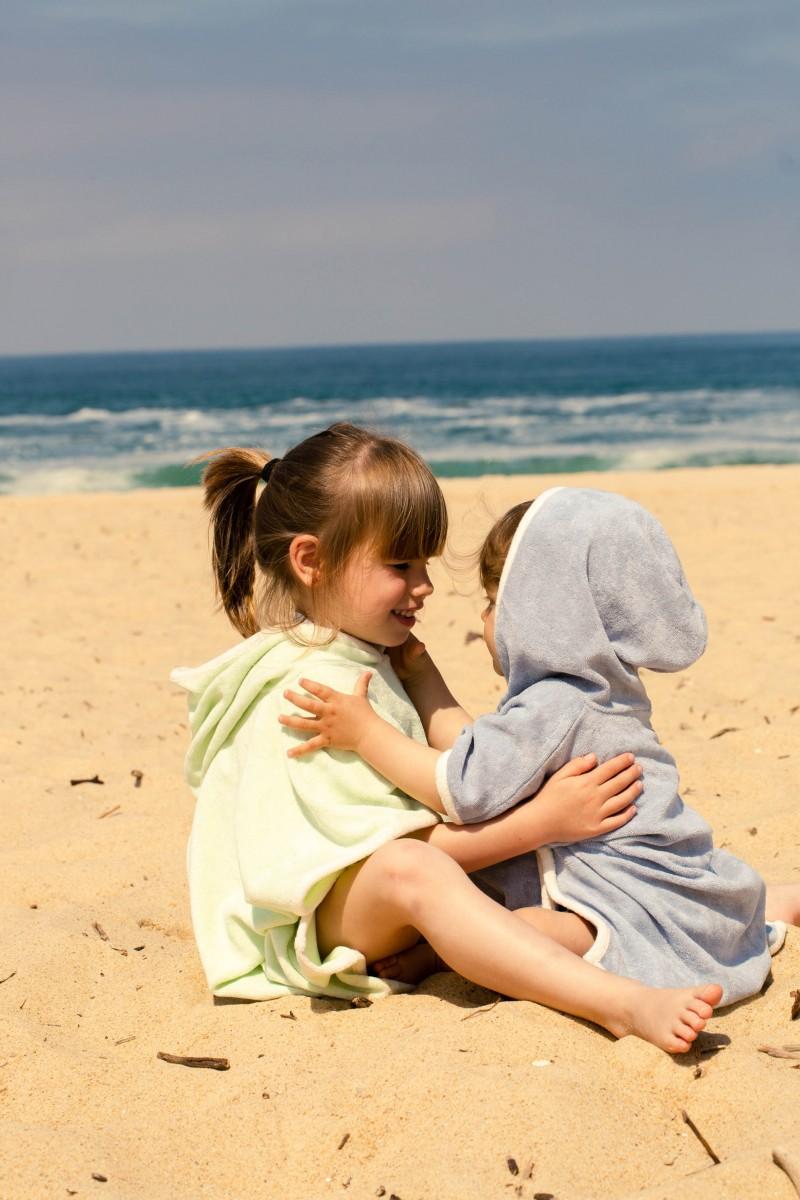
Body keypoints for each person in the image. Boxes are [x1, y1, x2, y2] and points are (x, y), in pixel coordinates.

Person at [173, 426, 723, 1054]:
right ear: (311, 561)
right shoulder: (311, 689)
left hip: (375, 893)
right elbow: (384, 846)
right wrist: (541, 823)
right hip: (320, 915)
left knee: (540, 865)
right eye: (399, 565)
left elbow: (460, 769)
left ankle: (706, 907)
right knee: (415, 869)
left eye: (426, 564)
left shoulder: (371, 656)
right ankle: (618, 1003)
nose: (425, 585)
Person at [282, 485, 798, 1010]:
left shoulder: (556, 705)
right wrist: (425, 678)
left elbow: (462, 786)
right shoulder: (599, 690)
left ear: (543, 614)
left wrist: (366, 733)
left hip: (621, 892)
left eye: (492, 603)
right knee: (717, 904)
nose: (484, 621)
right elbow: (482, 754)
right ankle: (777, 903)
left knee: (525, 928)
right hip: (667, 870)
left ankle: (443, 957)